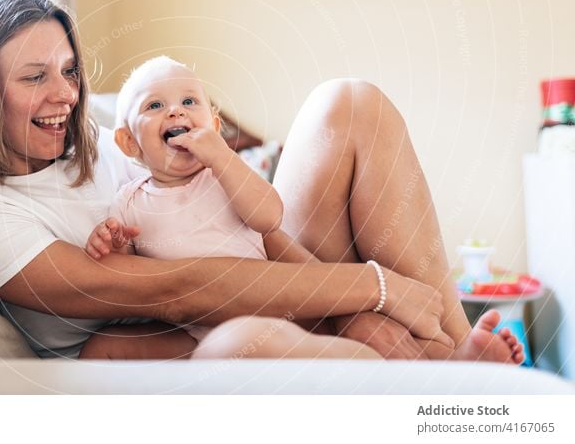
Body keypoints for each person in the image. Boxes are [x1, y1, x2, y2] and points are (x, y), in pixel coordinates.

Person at [0, 0, 520, 364]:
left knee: (349, 102)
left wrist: (325, 282)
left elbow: (259, 223)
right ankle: (426, 364)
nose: (65, 95)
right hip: (169, 341)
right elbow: (178, 289)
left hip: (265, 272)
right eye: (35, 78)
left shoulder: (91, 143)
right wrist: (374, 288)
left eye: (69, 71)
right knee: (241, 346)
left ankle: (452, 352)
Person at [79, 55, 524, 363]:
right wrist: (110, 245)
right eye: (156, 106)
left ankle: (456, 357)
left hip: (295, 302)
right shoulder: (130, 201)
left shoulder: (222, 177)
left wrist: (224, 158)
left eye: (189, 102)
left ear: (214, 127)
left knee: (356, 328)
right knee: (113, 345)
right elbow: (128, 281)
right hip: (202, 331)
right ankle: (423, 371)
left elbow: (268, 217)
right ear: (128, 142)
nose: (176, 112)